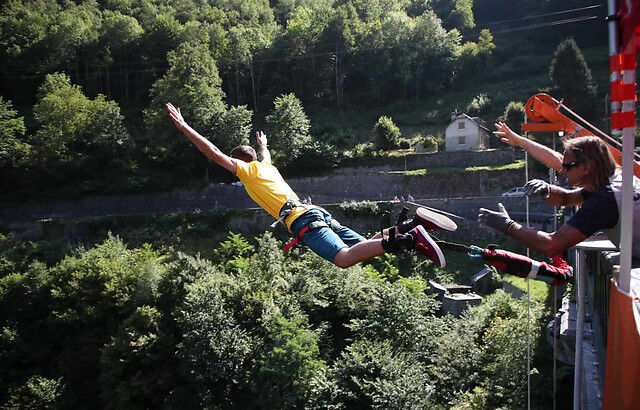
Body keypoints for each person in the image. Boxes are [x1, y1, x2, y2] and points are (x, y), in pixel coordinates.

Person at [165, 102, 457, 268]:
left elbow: (213, 153)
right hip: (315, 213)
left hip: (304, 221)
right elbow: (264, 153)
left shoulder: (246, 171)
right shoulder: (266, 164)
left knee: (344, 259)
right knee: (368, 245)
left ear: (238, 161)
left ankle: (409, 238)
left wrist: (184, 127)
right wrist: (263, 144)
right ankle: (410, 226)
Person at [478, 121, 640, 258]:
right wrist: (547, 190)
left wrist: (507, 225)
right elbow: (567, 199)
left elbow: (552, 245)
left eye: (567, 167)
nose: (562, 171)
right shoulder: (615, 180)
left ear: (587, 167)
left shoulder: (604, 201)